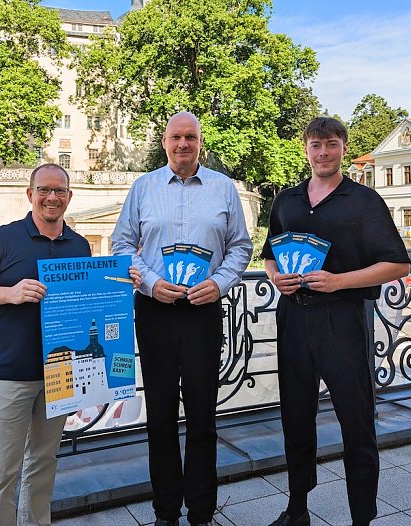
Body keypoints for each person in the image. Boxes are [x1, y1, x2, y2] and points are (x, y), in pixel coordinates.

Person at [262, 117, 410, 526]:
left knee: (356, 420)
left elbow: (398, 263)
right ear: (305, 149)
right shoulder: (287, 200)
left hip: (343, 320)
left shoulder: (363, 200)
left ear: (344, 147)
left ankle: (361, 517)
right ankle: (297, 509)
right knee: (295, 417)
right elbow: (269, 252)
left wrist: (339, 282)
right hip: (294, 318)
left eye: (330, 144)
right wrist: (277, 277)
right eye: (315, 145)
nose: (322, 152)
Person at [111, 111, 253, 526]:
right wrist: (151, 282)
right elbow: (122, 244)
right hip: (154, 311)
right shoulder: (143, 187)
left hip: (203, 310)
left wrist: (221, 283)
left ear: (200, 141)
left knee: (203, 418)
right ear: (164, 141)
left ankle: (202, 513)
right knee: (159, 418)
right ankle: (166, 513)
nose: (183, 144)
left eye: (190, 137)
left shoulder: (224, 188)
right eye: (176, 137)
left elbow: (240, 248)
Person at [0, 163, 91, 526]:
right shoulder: (4, 238)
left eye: (60, 191)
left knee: (43, 465)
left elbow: (90, 301)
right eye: (44, 190)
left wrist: (123, 280)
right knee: (0, 473)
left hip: (59, 371)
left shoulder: (80, 245)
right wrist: (9, 294)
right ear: (30, 194)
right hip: (8, 373)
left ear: (69, 197)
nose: (52, 197)